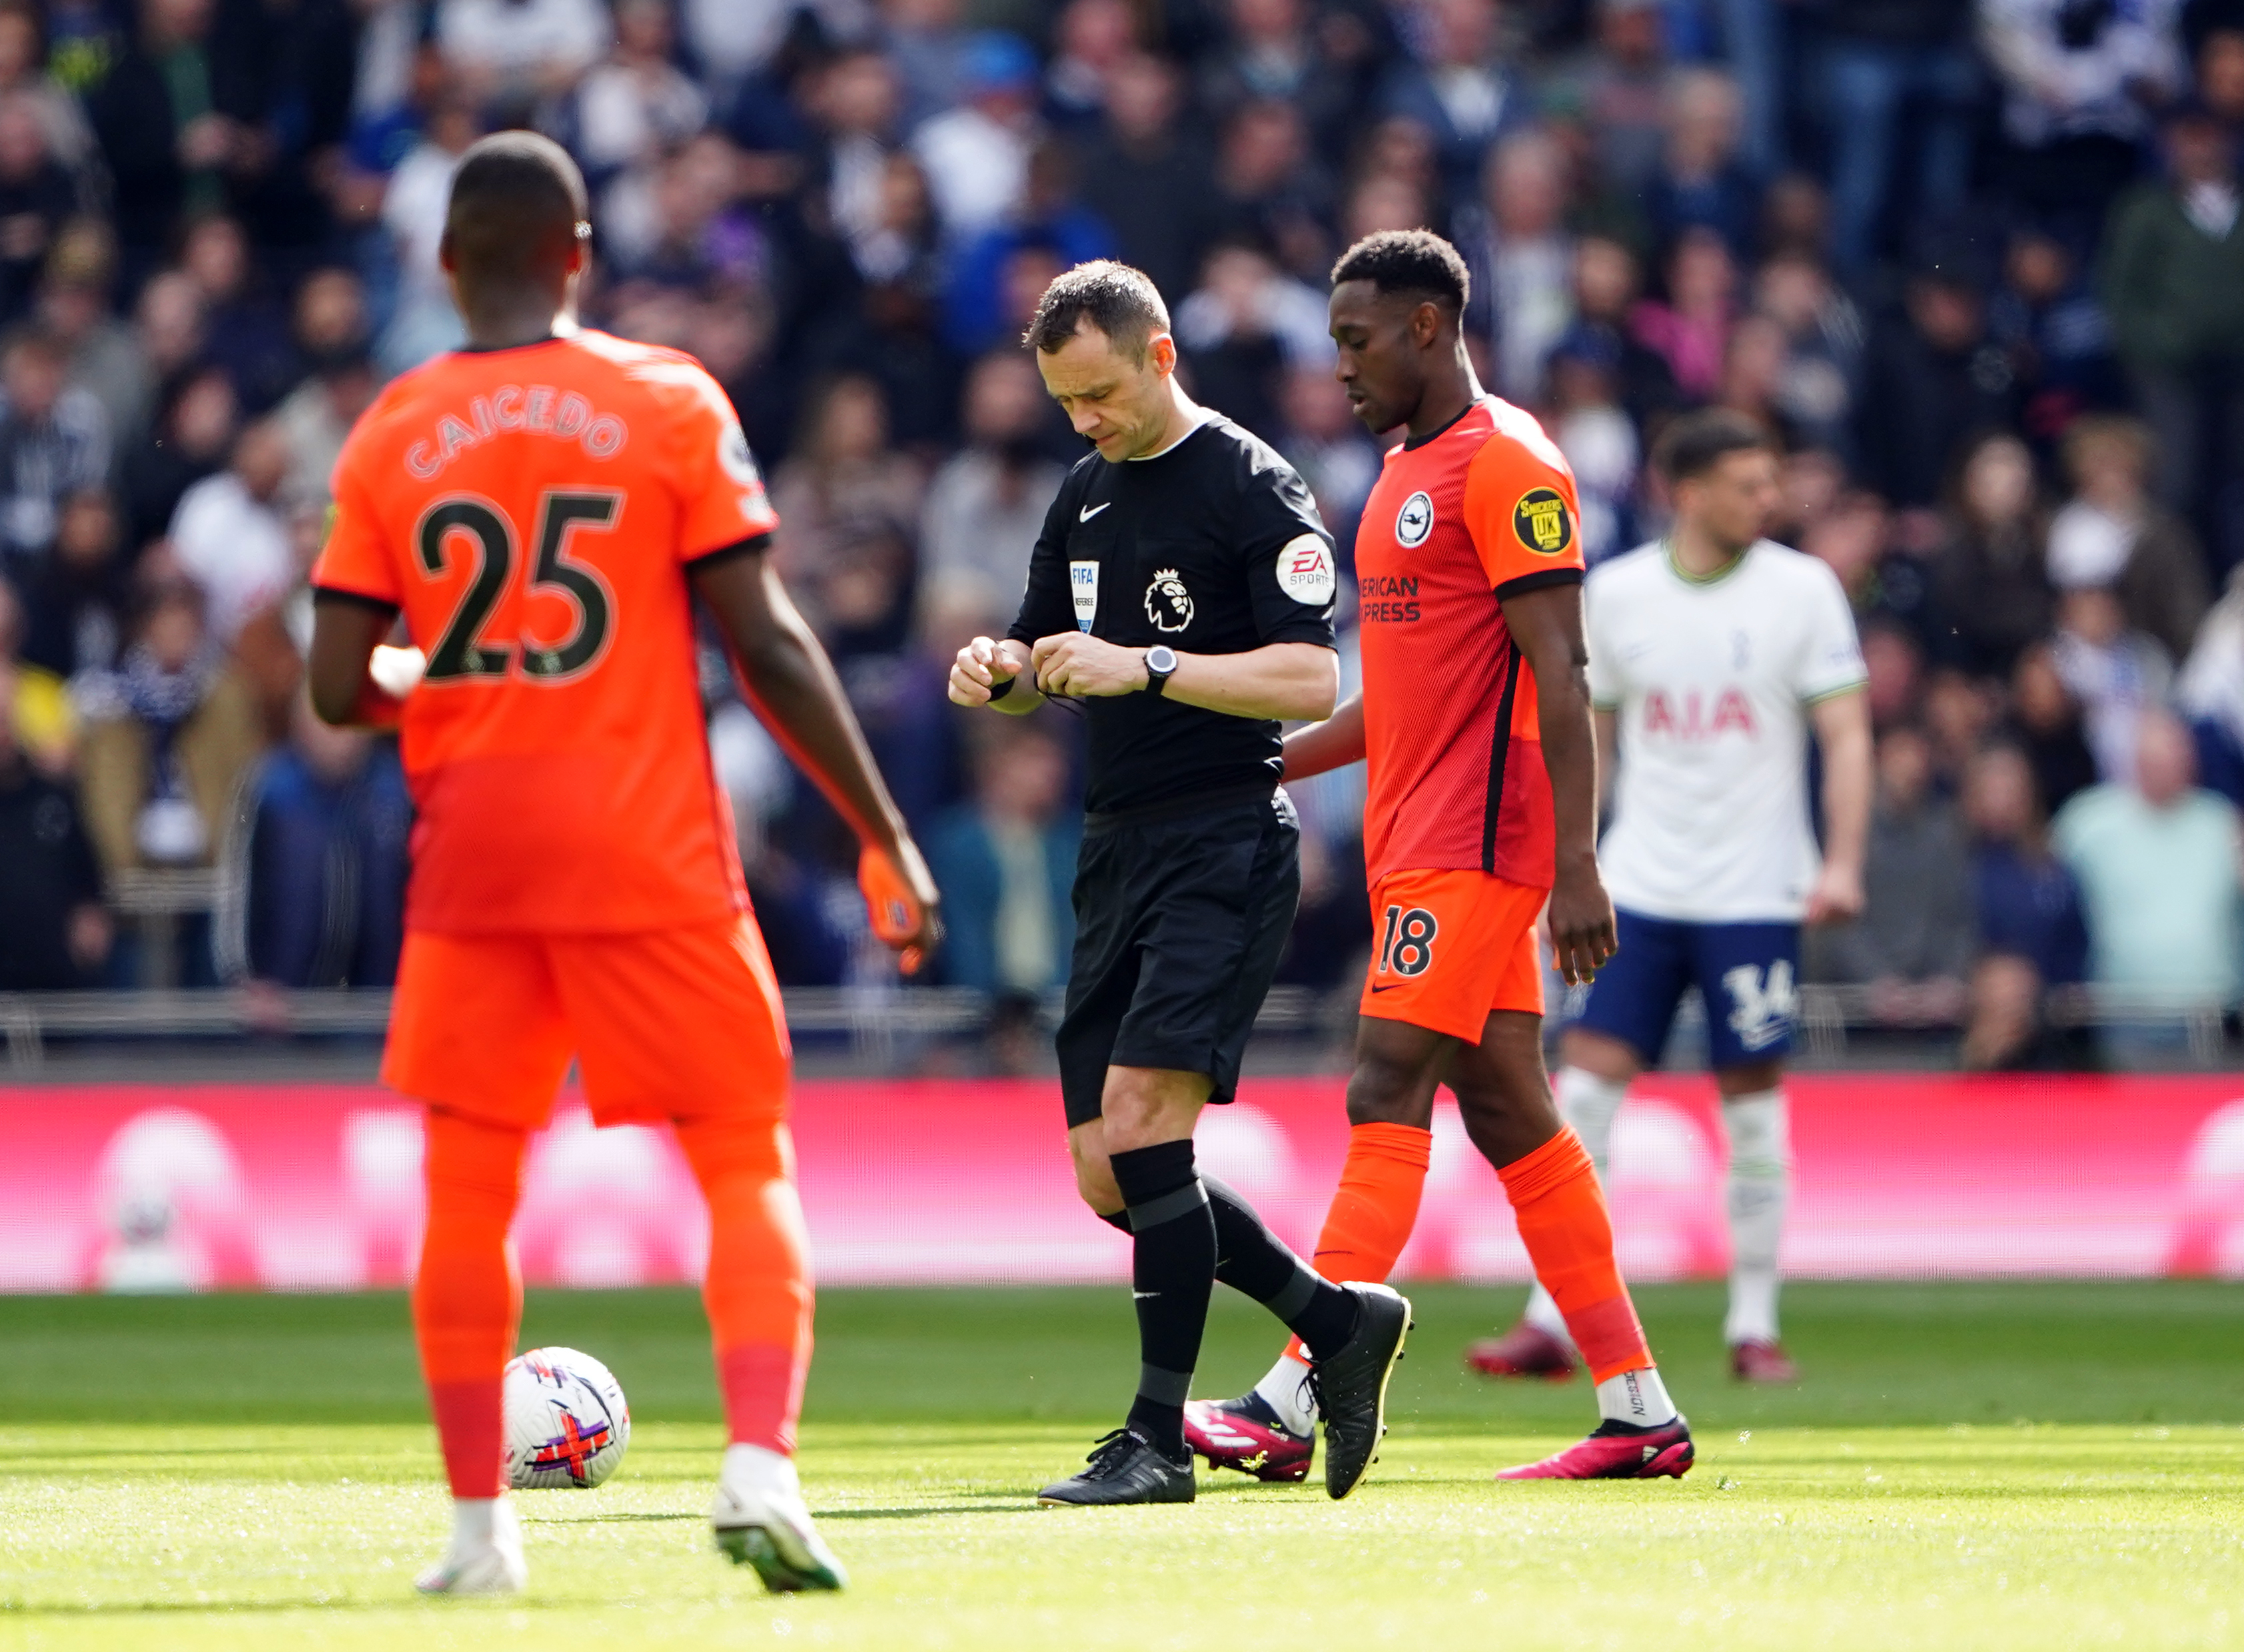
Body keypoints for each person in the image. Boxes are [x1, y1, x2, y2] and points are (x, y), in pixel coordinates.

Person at [304, 133, 939, 1599]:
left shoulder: (393, 430)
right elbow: (764, 632)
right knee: (740, 1153)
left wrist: (449, 666)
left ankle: (477, 1537)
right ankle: (761, 1468)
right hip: (647, 843)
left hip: (475, 855)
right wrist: (879, 828)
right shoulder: (665, 400)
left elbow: (341, 683)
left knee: (468, 1190)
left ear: (447, 261)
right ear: (580, 252)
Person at [1184, 229, 1694, 1486]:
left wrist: (1578, 863)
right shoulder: (1401, 476)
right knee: (1514, 1109)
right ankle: (1639, 1409)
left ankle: (1294, 1394)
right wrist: (1260, 762)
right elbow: (1400, 698)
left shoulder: (1509, 462)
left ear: (1426, 327)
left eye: (1356, 341)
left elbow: (1564, 673)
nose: (1339, 366)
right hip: (1419, 836)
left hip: (1478, 842)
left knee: (1383, 1082)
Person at [947, 260, 1408, 1507]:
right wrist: (1000, 665)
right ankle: (1335, 1320)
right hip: (1118, 845)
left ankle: (1155, 1440)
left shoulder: (1254, 483)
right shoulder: (1086, 494)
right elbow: (1050, 651)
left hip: (1222, 838)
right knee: (1112, 1176)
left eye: (1098, 393)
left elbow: (1311, 683)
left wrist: (1149, 665)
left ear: (1159, 356)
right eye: (1064, 402)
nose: (1084, 421)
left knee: (1150, 1129)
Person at [1476, 409, 1872, 1385]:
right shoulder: (1617, 595)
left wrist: (1843, 862)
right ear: (1686, 492)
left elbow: (1848, 735)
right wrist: (1574, 862)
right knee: (1586, 1096)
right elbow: (1583, 740)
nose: (1767, 501)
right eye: (1748, 485)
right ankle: (1553, 1319)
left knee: (1752, 1109)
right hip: (1640, 885)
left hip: (1754, 892)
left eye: (1769, 484)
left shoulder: (1804, 591)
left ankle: (1754, 1325)